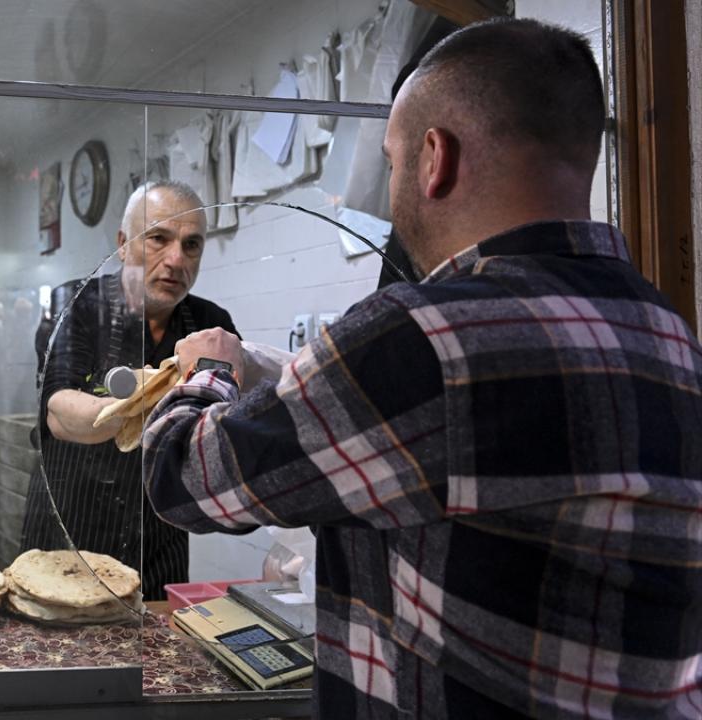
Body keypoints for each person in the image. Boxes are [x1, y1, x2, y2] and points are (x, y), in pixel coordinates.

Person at [143, 18, 702, 719]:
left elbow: (181, 477)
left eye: (392, 160)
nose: (393, 184)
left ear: (435, 156)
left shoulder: (424, 337)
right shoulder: (667, 331)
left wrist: (209, 370)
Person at [20, 181, 240, 602]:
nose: (176, 260)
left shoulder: (210, 327)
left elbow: (227, 424)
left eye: (191, 245)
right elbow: (60, 413)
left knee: (154, 641)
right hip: (69, 529)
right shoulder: (77, 304)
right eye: (158, 238)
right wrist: (159, 395)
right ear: (123, 244)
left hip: (160, 540)